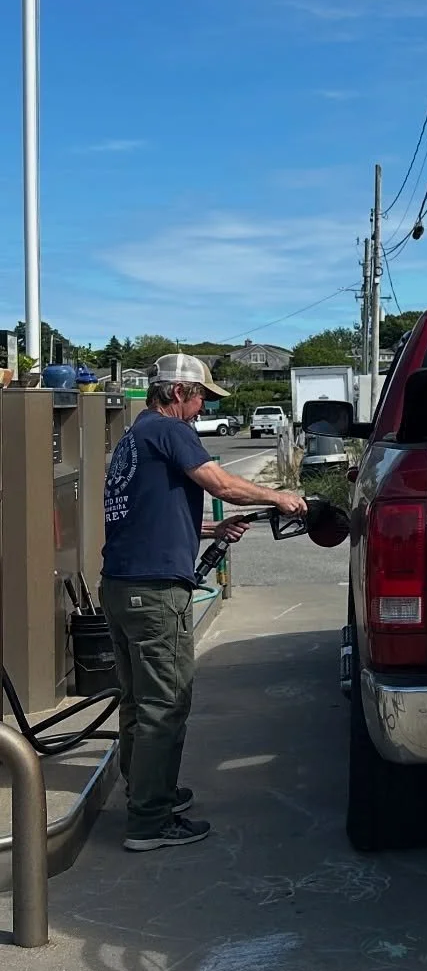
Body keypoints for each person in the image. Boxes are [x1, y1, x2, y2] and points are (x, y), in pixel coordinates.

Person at [101, 353, 307, 852]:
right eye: (199, 398)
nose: (200, 409)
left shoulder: (135, 438)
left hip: (121, 586)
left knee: (137, 702)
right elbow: (221, 483)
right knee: (165, 705)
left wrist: (211, 528)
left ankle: (149, 792)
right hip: (154, 594)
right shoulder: (172, 432)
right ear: (177, 393)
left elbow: (149, 516)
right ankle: (150, 821)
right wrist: (279, 498)